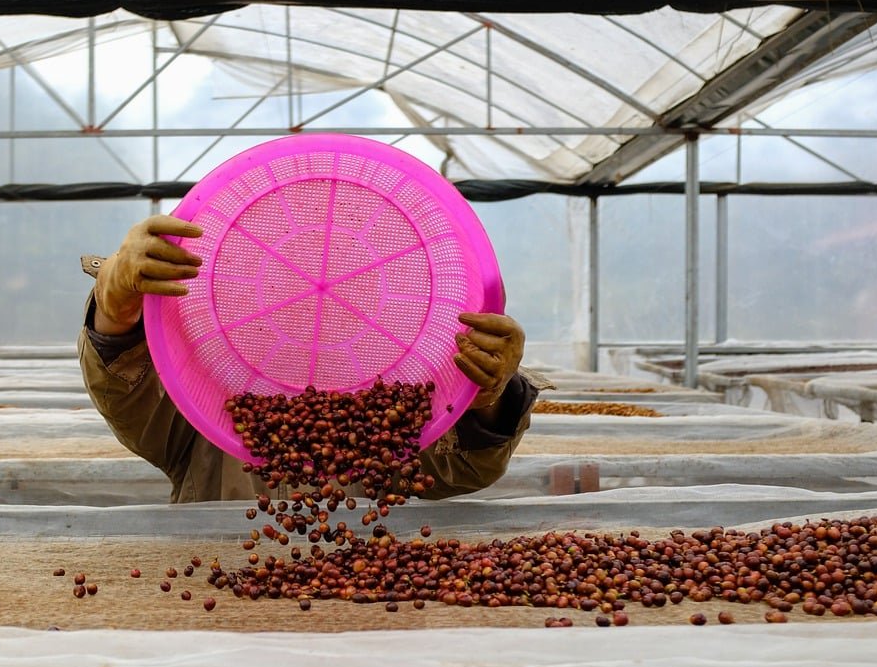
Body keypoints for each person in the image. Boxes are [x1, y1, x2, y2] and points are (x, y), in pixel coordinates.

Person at [79, 215, 547, 503]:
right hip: (218, 604)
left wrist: (486, 399)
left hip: (372, 612)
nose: (310, 306)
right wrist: (114, 306)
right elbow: (131, 399)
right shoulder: (206, 401)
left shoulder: (391, 401)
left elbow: (458, 472)